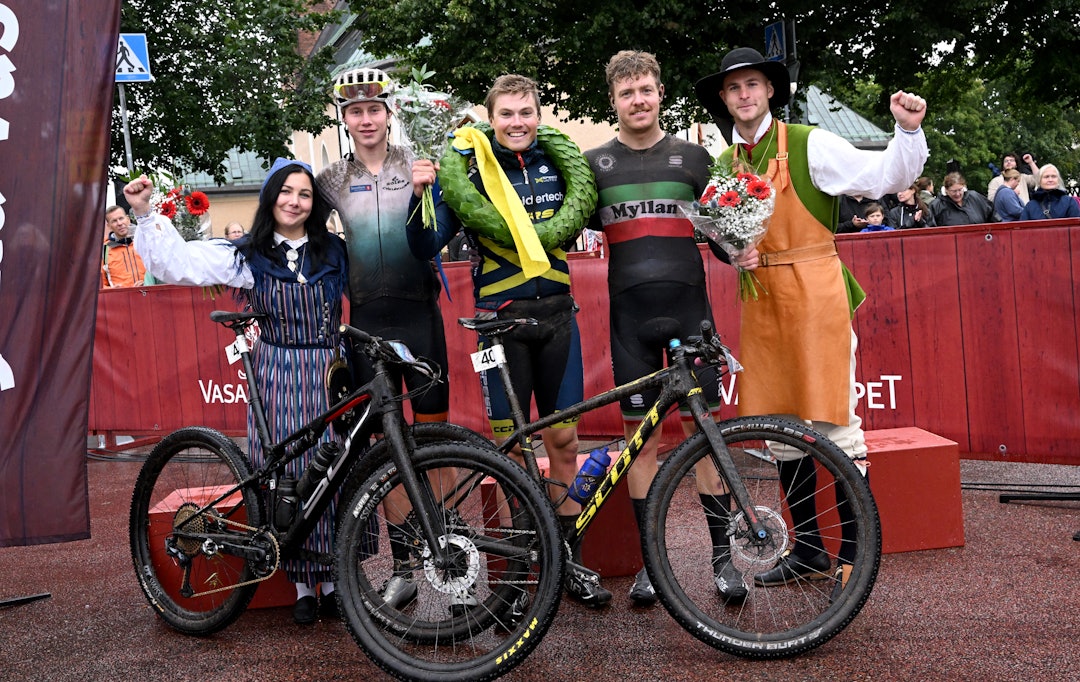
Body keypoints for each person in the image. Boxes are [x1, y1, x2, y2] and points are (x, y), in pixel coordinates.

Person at [695, 46, 928, 589]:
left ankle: (855, 552)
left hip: (816, 292)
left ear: (770, 90)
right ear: (725, 101)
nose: (744, 95)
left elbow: (882, 177)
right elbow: (723, 237)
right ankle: (807, 550)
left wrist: (908, 132)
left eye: (752, 84)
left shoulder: (809, 142)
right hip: (761, 300)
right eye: (733, 89)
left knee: (837, 424)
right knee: (779, 429)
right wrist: (733, 252)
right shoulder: (726, 165)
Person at [408, 73, 611, 609]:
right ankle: (520, 573)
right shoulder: (469, 171)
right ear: (490, 118)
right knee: (514, 451)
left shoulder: (558, 162)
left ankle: (569, 559)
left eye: (526, 113)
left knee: (564, 443)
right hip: (500, 326)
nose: (517, 123)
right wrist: (422, 194)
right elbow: (427, 242)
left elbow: (594, 211)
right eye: (507, 114)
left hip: (558, 317)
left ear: (537, 117)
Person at [124, 158, 349, 625]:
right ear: (271, 198)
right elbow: (178, 265)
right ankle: (303, 584)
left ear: (315, 203)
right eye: (286, 191)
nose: (295, 201)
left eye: (304, 194)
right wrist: (145, 214)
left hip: (328, 372)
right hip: (279, 372)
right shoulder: (247, 254)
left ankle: (336, 578)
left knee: (333, 470)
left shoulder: (335, 252)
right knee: (286, 471)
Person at [584, 50, 739, 605]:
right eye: (627, 94)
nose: (638, 101)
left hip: (691, 317)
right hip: (629, 324)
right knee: (639, 444)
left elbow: (728, 237)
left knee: (707, 437)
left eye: (646, 90)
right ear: (614, 101)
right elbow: (549, 227)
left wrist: (743, 247)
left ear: (660, 92)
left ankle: (724, 561)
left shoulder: (696, 158)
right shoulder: (592, 165)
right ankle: (653, 564)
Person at [315, 66, 453, 610]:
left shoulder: (418, 163)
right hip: (367, 323)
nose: (366, 118)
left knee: (436, 443)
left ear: (388, 113)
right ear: (345, 119)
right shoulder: (329, 180)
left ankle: (448, 554)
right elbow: (294, 227)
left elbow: (452, 220)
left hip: (420, 316)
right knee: (386, 450)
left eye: (374, 108)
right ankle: (404, 565)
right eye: (355, 111)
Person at [101, 205, 151, 287]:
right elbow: (99, 285)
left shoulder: (145, 241)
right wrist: (112, 290)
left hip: (149, 296)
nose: (119, 223)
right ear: (109, 226)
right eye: (114, 221)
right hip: (120, 299)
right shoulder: (104, 250)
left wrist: (148, 284)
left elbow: (161, 273)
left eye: (121, 218)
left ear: (128, 219)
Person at [931, 172, 996, 226]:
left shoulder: (975, 197)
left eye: (960, 190)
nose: (957, 194)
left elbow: (994, 215)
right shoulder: (937, 206)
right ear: (946, 190)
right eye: (954, 191)